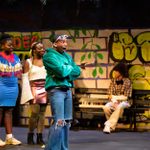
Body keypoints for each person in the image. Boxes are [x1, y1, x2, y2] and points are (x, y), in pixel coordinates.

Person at [43, 34, 81, 150]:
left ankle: (64, 148)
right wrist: (68, 69)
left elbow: (77, 71)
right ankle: (53, 148)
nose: (65, 44)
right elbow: (61, 72)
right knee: (59, 121)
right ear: (55, 44)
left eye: (66, 42)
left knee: (66, 122)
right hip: (56, 90)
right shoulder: (49, 56)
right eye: (62, 42)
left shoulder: (67, 57)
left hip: (67, 90)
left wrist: (66, 68)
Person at [20, 42, 47, 146]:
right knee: (34, 113)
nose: (42, 50)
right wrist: (26, 94)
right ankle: (30, 134)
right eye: (39, 48)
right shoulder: (28, 62)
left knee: (42, 114)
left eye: (43, 48)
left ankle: (40, 136)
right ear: (34, 50)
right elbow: (25, 78)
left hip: (44, 88)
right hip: (33, 88)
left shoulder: (46, 61)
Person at [0, 33, 22, 146]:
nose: (11, 47)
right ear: (2, 45)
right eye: (9, 45)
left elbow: (18, 73)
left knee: (9, 111)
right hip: (1, 85)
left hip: (13, 86)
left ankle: (9, 137)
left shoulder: (16, 57)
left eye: (12, 45)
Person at [103, 62, 132, 134]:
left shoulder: (127, 81)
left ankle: (108, 124)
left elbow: (126, 97)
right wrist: (114, 99)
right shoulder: (113, 81)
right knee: (106, 107)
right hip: (115, 101)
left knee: (119, 106)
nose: (114, 73)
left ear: (120, 72)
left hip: (126, 102)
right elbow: (109, 94)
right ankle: (111, 126)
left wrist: (115, 97)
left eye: (116, 71)